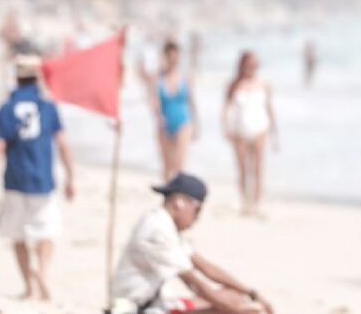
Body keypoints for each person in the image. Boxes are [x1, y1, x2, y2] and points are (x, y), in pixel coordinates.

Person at [0, 54, 76, 301]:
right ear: (37, 78)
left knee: (17, 233)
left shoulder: (5, 109)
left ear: (16, 78)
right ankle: (42, 271)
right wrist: (71, 176)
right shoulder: (48, 107)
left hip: (14, 178)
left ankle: (28, 285)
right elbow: (63, 144)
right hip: (42, 179)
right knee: (48, 230)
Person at [110, 173, 273, 314]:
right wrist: (236, 311)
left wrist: (252, 293)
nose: (197, 218)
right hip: (135, 309)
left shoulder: (166, 225)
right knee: (232, 308)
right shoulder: (157, 231)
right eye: (197, 210)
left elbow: (206, 267)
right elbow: (193, 282)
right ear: (179, 203)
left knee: (235, 297)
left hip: (156, 303)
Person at [222, 51, 279, 215]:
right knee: (242, 169)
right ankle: (244, 201)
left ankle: (256, 202)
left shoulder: (264, 84)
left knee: (258, 169)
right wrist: (226, 128)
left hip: (260, 129)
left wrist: (275, 134)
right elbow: (226, 109)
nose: (252, 68)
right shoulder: (234, 85)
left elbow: (270, 108)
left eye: (255, 65)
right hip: (240, 131)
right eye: (250, 65)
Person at [139, 39, 199, 181]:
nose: (173, 61)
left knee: (180, 166)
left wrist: (196, 124)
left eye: (176, 58)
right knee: (167, 166)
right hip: (165, 123)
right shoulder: (157, 78)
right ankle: (167, 198)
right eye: (171, 58)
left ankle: (178, 197)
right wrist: (158, 117)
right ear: (165, 57)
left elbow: (191, 102)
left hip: (183, 122)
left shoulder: (185, 78)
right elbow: (154, 100)